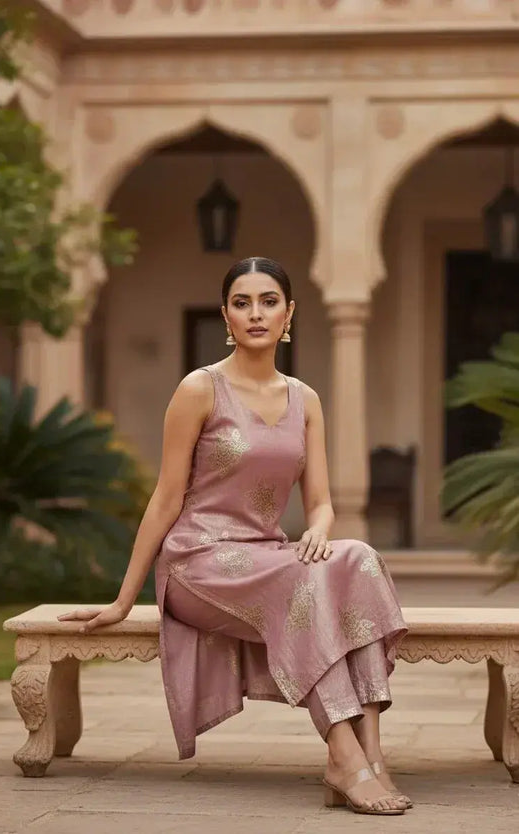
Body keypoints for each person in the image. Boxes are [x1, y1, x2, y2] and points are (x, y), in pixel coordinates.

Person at [59, 256, 410, 816]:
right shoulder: (201, 389)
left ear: (289, 313)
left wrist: (318, 531)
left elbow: (320, 503)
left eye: (268, 301)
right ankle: (343, 754)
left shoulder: (305, 400)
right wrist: (127, 598)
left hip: (266, 558)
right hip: (198, 563)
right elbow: (166, 497)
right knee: (304, 584)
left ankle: (371, 749)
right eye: (242, 302)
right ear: (226, 314)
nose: (255, 313)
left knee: (357, 559)